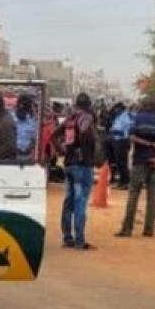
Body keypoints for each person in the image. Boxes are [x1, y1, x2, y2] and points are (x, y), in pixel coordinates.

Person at [115, 97, 155, 238]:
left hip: (140, 161)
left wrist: (148, 144)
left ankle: (127, 229)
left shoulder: (138, 119)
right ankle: (148, 230)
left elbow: (132, 137)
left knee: (134, 194)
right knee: (152, 196)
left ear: (144, 106)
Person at [52, 93, 97, 250]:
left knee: (68, 201)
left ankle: (67, 238)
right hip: (82, 166)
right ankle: (79, 240)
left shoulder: (69, 119)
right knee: (80, 202)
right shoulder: (86, 117)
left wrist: (63, 150)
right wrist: (83, 151)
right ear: (89, 105)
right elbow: (84, 130)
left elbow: (53, 135)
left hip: (69, 164)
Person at [108, 102, 133, 190]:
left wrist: (114, 132)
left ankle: (125, 182)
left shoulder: (125, 117)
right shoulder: (118, 117)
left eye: (116, 109)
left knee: (122, 163)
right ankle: (121, 182)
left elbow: (126, 131)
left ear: (120, 109)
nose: (115, 110)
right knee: (118, 163)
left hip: (122, 141)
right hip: (117, 141)